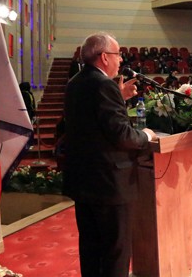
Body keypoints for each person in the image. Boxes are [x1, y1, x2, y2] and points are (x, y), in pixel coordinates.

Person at [63, 32, 158, 277]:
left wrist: (121, 98)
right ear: (104, 57)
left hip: (84, 181)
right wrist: (146, 135)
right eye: (118, 55)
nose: (121, 60)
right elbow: (122, 136)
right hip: (109, 183)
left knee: (92, 248)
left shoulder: (75, 82)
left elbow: (95, 126)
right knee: (116, 251)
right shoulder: (104, 85)